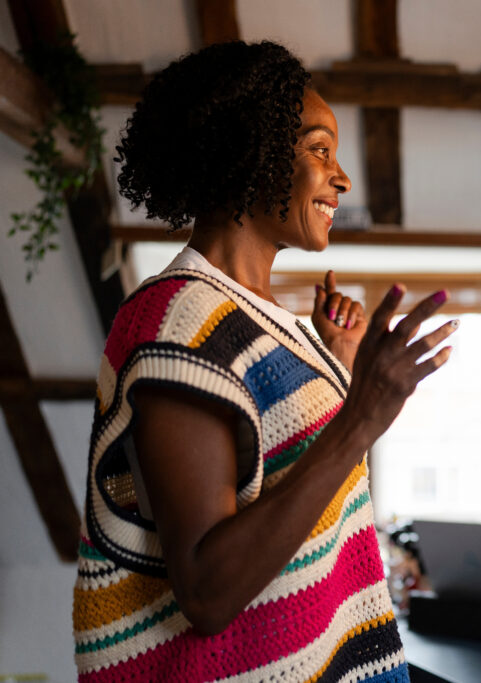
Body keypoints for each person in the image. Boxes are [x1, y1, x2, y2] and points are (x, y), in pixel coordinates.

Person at [71, 41, 455, 682]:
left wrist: (336, 364)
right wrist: (360, 417)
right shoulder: (176, 320)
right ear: (250, 156)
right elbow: (208, 593)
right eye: (319, 149)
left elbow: (299, 490)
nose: (343, 177)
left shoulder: (266, 324)